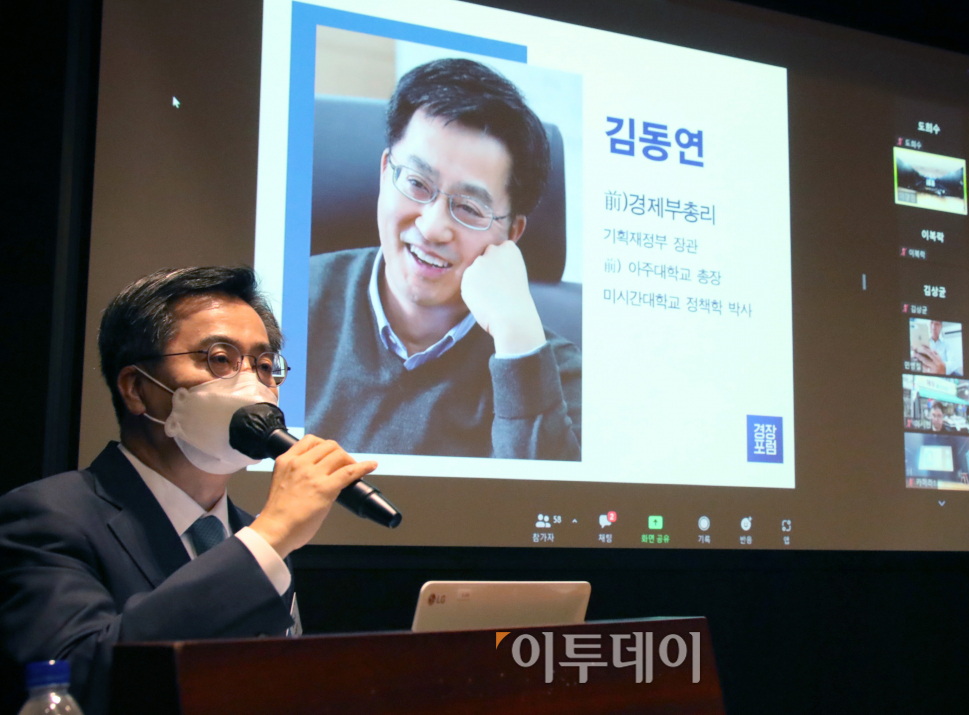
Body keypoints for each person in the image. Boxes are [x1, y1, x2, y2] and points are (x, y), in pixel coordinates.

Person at [0, 267, 378, 715]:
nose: (252, 384)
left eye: (263, 365)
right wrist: (269, 538)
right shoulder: (46, 517)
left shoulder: (247, 532)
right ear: (136, 389)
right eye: (220, 358)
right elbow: (75, 683)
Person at [307, 58, 581, 460]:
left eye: (469, 207)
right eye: (417, 183)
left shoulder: (551, 373)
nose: (433, 227)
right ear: (385, 173)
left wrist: (517, 343)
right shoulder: (286, 304)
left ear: (512, 233)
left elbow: (546, 499)